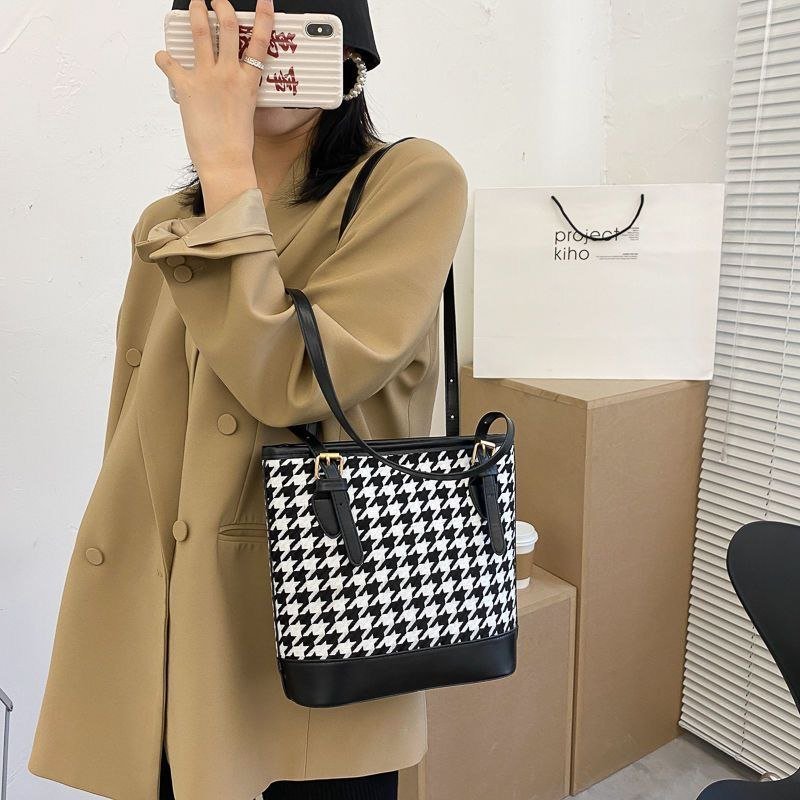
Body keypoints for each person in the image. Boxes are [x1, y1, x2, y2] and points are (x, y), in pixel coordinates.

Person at [27, 0, 469, 798]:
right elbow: (135, 423)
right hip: (167, 621)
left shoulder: (408, 181)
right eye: (227, 40)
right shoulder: (170, 221)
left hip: (320, 619)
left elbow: (291, 379)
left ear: (349, 55)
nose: (256, 61)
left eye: (284, 37)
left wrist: (225, 165)